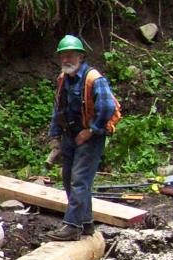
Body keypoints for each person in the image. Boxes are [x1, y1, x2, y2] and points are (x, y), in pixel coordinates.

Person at [44, 34, 121, 241]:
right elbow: (58, 109)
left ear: (81, 56)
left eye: (70, 55)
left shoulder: (94, 79)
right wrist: (55, 136)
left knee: (80, 179)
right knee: (69, 178)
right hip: (70, 134)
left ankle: (71, 225)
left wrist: (91, 131)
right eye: (63, 56)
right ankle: (86, 223)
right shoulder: (64, 79)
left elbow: (107, 107)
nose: (66, 60)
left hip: (91, 136)